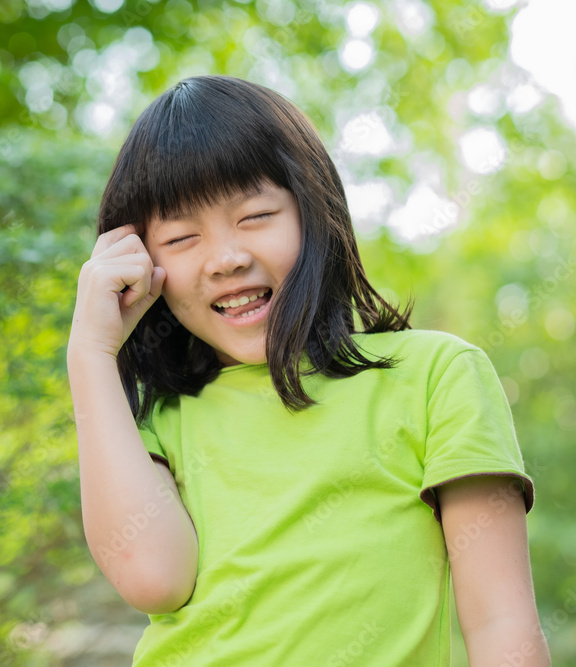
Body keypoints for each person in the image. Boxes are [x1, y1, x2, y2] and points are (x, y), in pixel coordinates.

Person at [66, 75, 551, 666]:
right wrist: (89, 351)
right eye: (183, 236)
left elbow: (502, 624)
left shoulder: (435, 376)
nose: (226, 258)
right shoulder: (159, 421)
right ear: (143, 264)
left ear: (313, 211)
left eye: (255, 216)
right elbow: (153, 580)